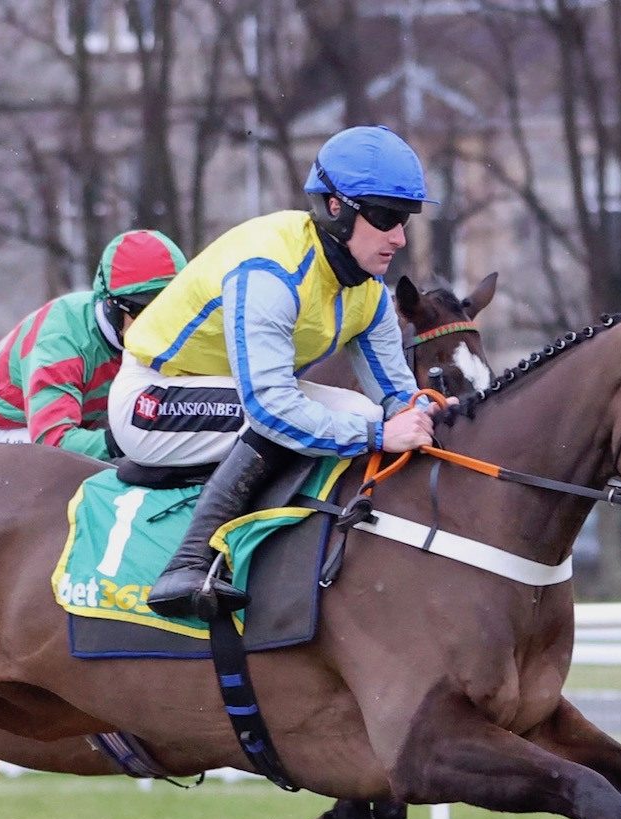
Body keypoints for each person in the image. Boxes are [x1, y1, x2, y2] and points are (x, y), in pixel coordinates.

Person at [113, 125, 442, 621]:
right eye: (384, 216)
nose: (398, 236)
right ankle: (187, 565)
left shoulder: (367, 289)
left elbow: (395, 394)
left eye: (405, 220)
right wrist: (380, 432)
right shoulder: (270, 268)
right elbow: (270, 409)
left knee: (359, 411)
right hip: (154, 400)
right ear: (335, 207)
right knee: (301, 420)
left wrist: (428, 411)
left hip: (227, 397)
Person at [0, 230, 187, 458]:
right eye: (141, 309)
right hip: (0, 431)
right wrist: (132, 441)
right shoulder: (61, 340)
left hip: (83, 425)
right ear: (109, 303)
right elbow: (54, 442)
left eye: (167, 308)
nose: (157, 323)